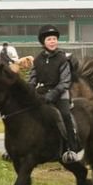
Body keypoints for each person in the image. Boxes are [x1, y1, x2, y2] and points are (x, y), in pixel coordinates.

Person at [28, 25, 82, 163]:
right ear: (43, 42)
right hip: (43, 92)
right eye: (49, 39)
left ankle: (71, 147)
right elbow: (33, 79)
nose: (52, 41)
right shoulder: (37, 59)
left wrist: (52, 94)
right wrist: (28, 91)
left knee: (64, 114)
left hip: (61, 93)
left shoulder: (62, 58)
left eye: (54, 39)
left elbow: (65, 81)